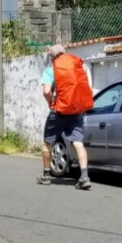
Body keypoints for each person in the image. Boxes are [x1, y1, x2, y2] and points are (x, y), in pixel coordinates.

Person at [39, 44, 92, 190]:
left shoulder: (51, 70)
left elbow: (46, 90)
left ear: (52, 58)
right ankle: (84, 176)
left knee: (47, 142)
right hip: (75, 111)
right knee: (78, 142)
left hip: (59, 111)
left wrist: (51, 102)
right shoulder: (76, 67)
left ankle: (46, 175)